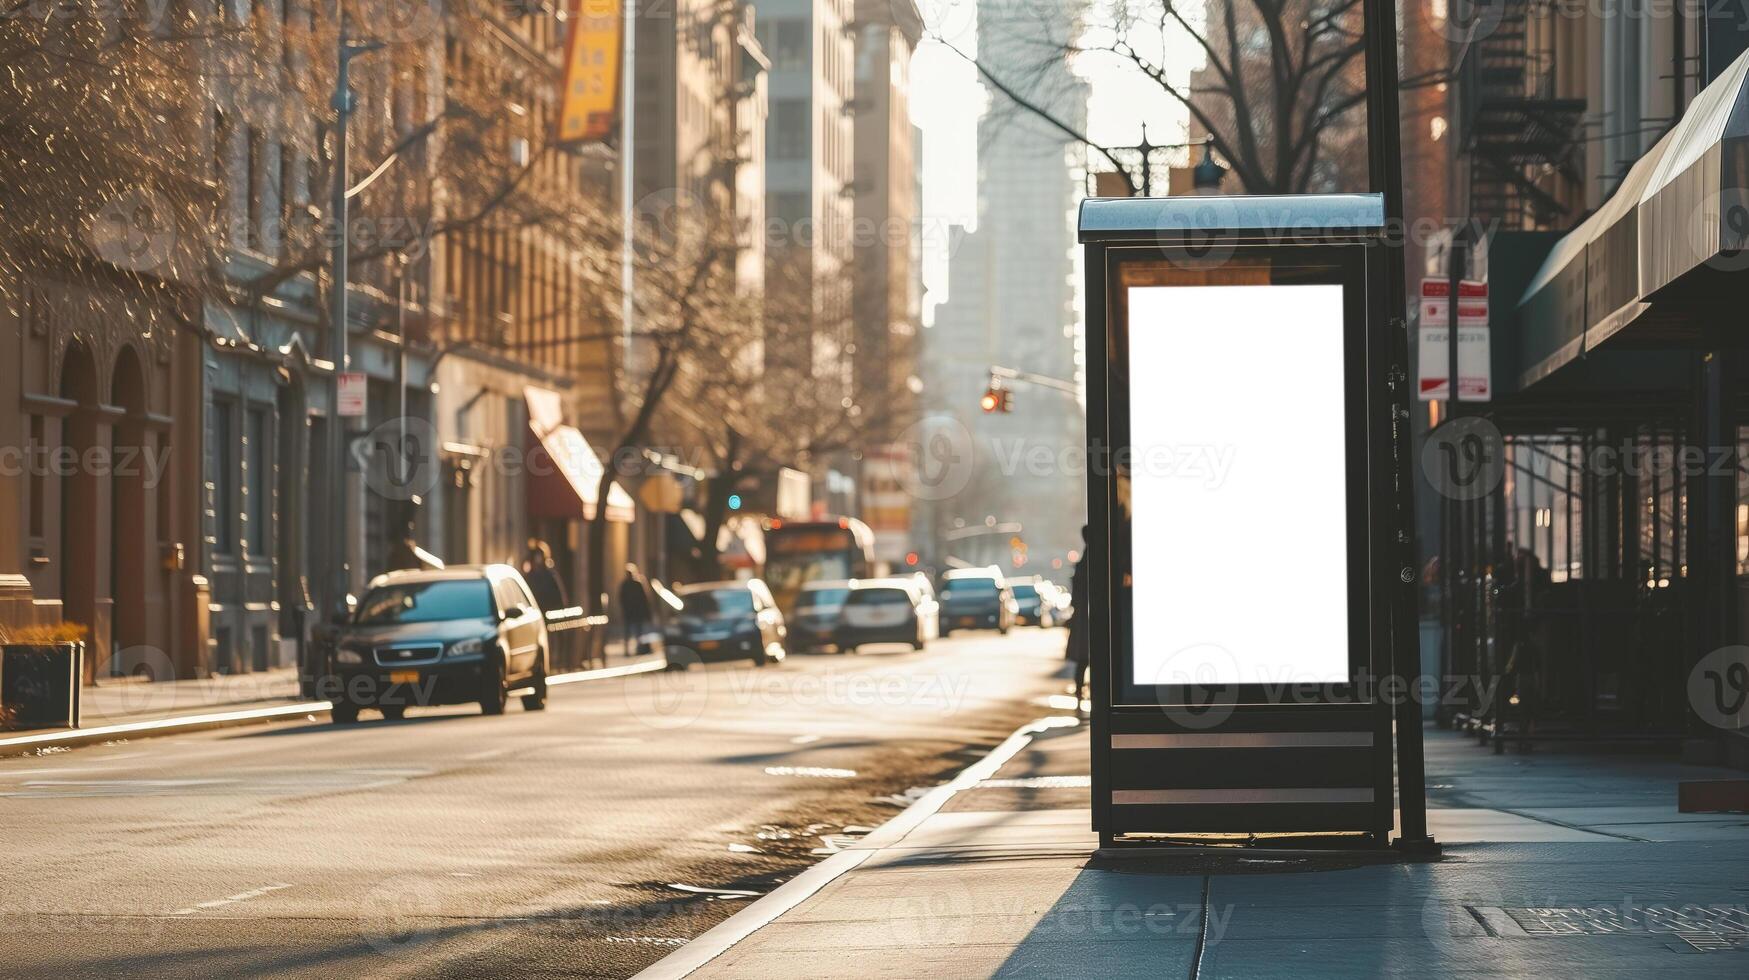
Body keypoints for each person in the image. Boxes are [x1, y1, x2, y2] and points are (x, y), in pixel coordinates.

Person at [1065, 526, 1090, 717]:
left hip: (1083, 617)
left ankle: (1080, 692)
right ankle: (1081, 692)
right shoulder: (1091, 558)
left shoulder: (1084, 559)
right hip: (1087, 617)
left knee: (1082, 661)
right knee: (1086, 659)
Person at [520, 539, 569, 613]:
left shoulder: (550, 576)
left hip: (549, 613)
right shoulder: (527, 578)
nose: (537, 562)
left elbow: (561, 600)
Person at [617, 563, 655, 655]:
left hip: (636, 611)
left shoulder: (637, 584)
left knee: (637, 632)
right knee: (629, 632)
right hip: (630, 612)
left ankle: (638, 649)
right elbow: (621, 598)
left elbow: (644, 599)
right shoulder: (626, 584)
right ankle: (628, 650)